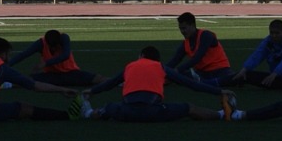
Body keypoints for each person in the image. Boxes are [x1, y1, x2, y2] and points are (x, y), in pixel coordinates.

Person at [78, 45, 235, 122]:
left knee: (108, 108)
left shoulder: (130, 66)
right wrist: (219, 91)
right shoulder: (161, 67)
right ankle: (222, 114)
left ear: (141, 56)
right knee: (189, 108)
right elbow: (191, 84)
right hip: (153, 112)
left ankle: (88, 113)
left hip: (127, 112)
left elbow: (110, 83)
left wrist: (91, 91)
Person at [7, 29, 106, 87]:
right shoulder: (41, 43)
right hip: (51, 75)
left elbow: (66, 55)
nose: (54, 49)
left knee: (95, 78)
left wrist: (45, 63)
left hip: (71, 72)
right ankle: (7, 84)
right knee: (29, 80)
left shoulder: (64, 38)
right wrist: (5, 66)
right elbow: (23, 55)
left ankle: (112, 82)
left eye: (56, 46)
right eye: (52, 47)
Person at [230, 19, 282, 89]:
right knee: (243, 74)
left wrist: (275, 73)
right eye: (271, 33)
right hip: (277, 75)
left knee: (250, 77)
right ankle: (224, 82)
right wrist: (245, 69)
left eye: (277, 33)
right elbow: (257, 55)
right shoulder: (269, 41)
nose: (274, 36)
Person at [165, 12, 233, 85]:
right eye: (180, 29)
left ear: (192, 25)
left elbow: (197, 58)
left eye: (184, 28)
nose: (182, 31)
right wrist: (162, 71)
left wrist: (177, 70)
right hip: (203, 73)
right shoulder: (186, 43)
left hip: (220, 71)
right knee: (181, 76)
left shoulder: (206, 35)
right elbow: (175, 60)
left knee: (231, 79)